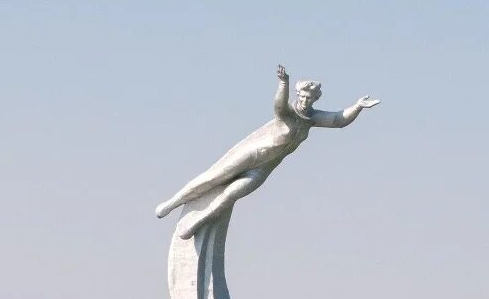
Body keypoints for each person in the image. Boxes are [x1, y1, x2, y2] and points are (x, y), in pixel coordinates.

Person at [155, 65, 379, 238]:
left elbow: (339, 120)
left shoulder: (312, 119)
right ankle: (172, 202)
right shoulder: (288, 113)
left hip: (262, 168)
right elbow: (278, 107)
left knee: (231, 195)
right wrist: (284, 84)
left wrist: (358, 106)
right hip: (251, 155)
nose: (305, 101)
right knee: (213, 178)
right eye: (302, 97)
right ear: (297, 96)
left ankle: (198, 222)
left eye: (309, 98)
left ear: (315, 100)